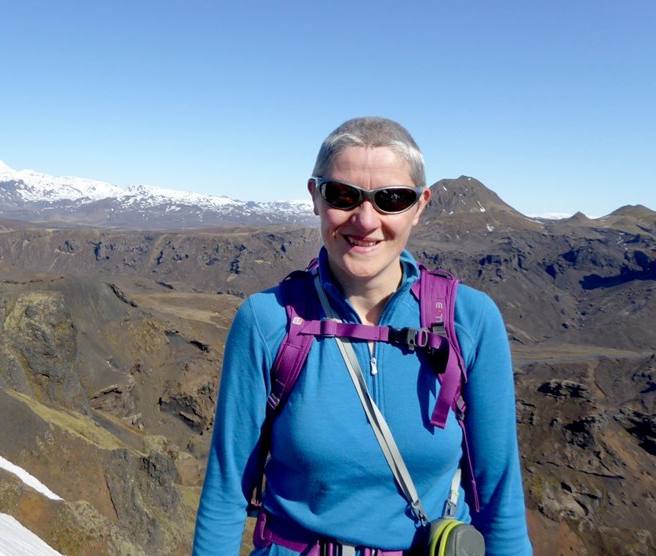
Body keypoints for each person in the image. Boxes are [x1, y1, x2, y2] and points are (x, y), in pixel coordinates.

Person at [193, 117, 532, 555]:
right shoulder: (267, 321)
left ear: (420, 205)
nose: (366, 220)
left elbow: (499, 501)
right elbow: (225, 494)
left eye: (392, 199)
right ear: (315, 197)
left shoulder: (469, 320)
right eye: (342, 195)